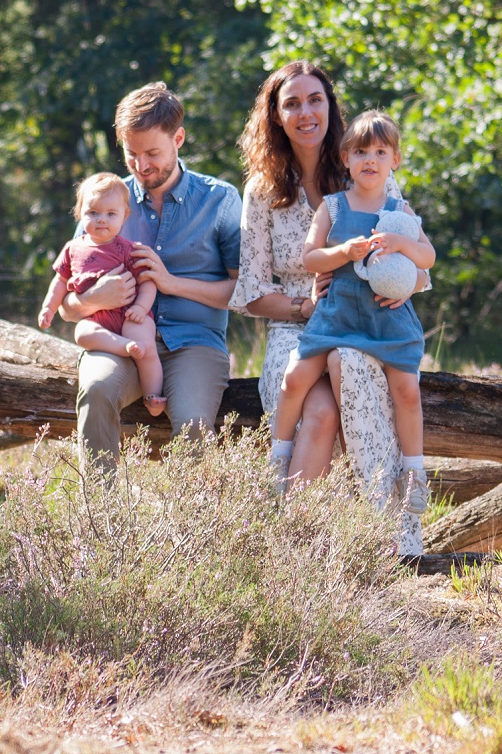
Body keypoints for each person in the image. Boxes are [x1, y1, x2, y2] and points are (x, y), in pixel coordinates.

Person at [230, 62, 430, 551]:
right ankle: (294, 546)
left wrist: (404, 287)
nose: (305, 112)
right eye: (291, 103)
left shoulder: (364, 159)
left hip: (367, 320)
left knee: (354, 370)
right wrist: (304, 306)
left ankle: (390, 532)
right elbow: (252, 291)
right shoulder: (262, 190)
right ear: (276, 117)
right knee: (317, 411)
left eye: (314, 99)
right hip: (296, 327)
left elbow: (416, 259)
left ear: (330, 106)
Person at [58, 83, 241, 469]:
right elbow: (67, 308)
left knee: (192, 423)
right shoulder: (105, 202)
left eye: (153, 153)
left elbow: (242, 292)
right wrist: (95, 298)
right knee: (95, 390)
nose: (142, 166)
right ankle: (101, 520)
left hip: (195, 344)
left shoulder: (220, 199)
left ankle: (192, 525)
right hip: (119, 341)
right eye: (131, 154)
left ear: (178, 139)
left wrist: (171, 284)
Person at [269, 111, 435, 511]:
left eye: (380, 151)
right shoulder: (334, 207)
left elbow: (428, 257)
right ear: (345, 159)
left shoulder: (399, 211)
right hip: (338, 317)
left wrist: (400, 242)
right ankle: (278, 456)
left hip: (386, 321)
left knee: (407, 393)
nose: (370, 160)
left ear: (395, 160)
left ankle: (414, 473)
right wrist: (342, 252)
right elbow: (310, 258)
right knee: (294, 378)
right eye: (360, 151)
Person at [38, 173, 167, 417]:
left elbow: (148, 282)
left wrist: (140, 308)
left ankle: (153, 395)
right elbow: (60, 282)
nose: (101, 220)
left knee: (146, 347)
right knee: (82, 333)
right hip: (97, 319)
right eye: (93, 213)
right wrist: (49, 308)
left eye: (111, 214)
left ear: (124, 216)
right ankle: (123, 347)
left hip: (129, 315)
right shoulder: (72, 249)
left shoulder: (129, 249)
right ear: (79, 214)